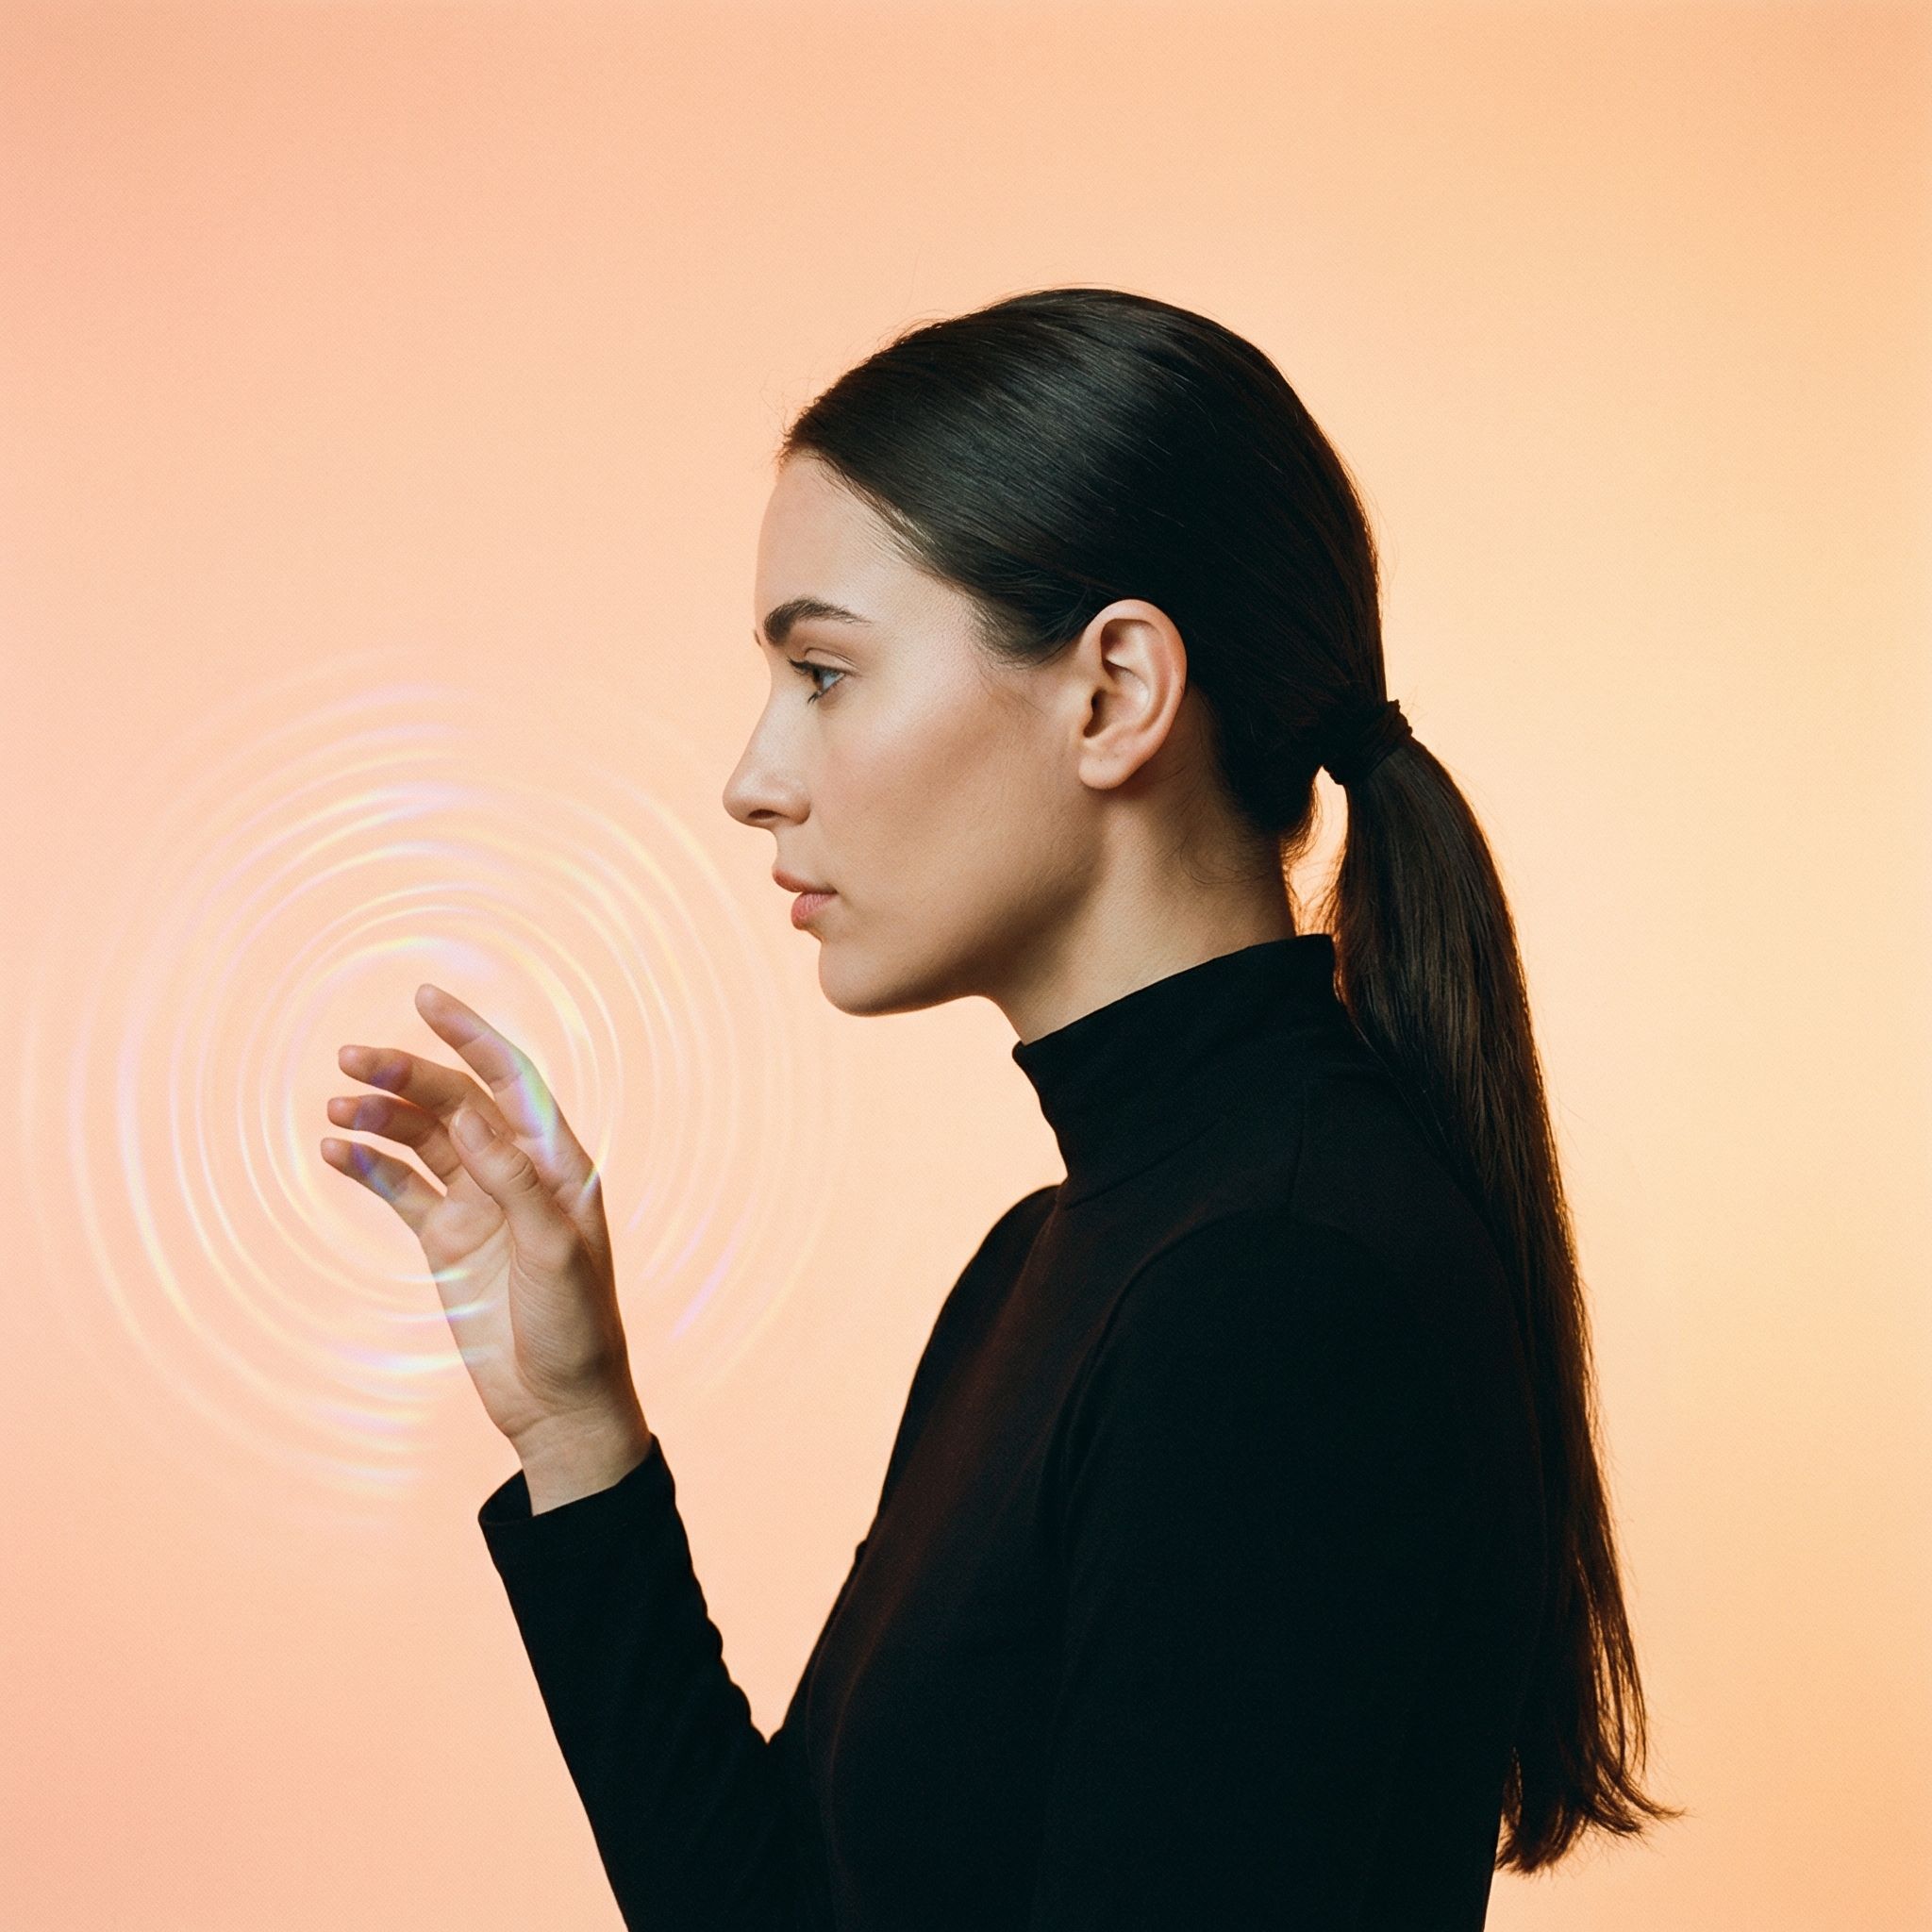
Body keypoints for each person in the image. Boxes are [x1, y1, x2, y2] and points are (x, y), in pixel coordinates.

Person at [322, 286, 1678, 1928]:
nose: (752, 775)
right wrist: (577, 1432)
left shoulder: (1271, 1296)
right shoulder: (1059, 1264)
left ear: (1112, 692)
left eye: (823, 671)